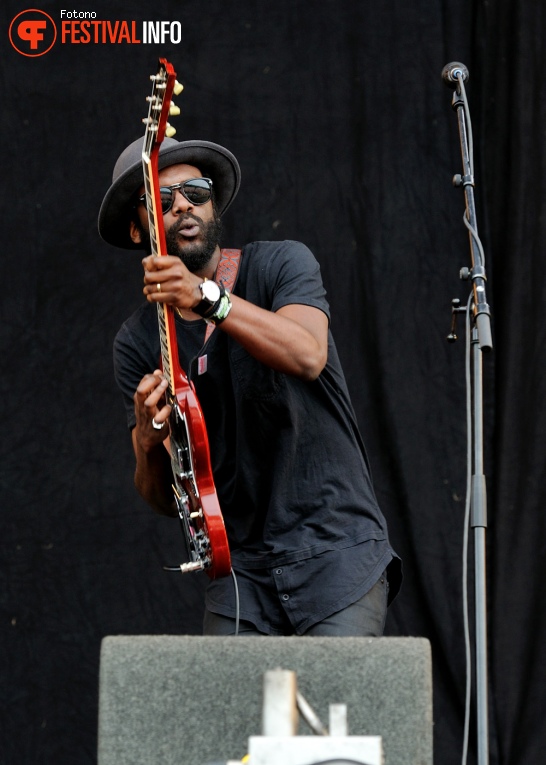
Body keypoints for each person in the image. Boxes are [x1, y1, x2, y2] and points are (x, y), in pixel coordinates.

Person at [98, 136, 401, 636]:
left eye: (196, 190)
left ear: (213, 202)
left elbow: (307, 354)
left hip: (335, 552)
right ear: (138, 229)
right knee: (232, 714)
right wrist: (149, 444)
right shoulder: (136, 342)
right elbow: (162, 496)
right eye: (162, 201)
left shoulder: (281, 264)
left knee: (331, 710)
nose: (184, 206)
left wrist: (206, 297)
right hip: (239, 576)